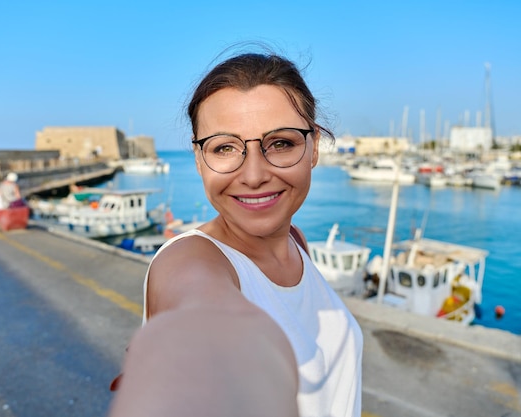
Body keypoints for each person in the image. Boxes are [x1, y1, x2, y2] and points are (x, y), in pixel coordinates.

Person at [108, 51, 363, 417]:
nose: (255, 174)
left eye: (281, 143)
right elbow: (201, 310)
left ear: (314, 148)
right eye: (225, 148)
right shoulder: (189, 260)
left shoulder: (296, 242)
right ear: (198, 160)